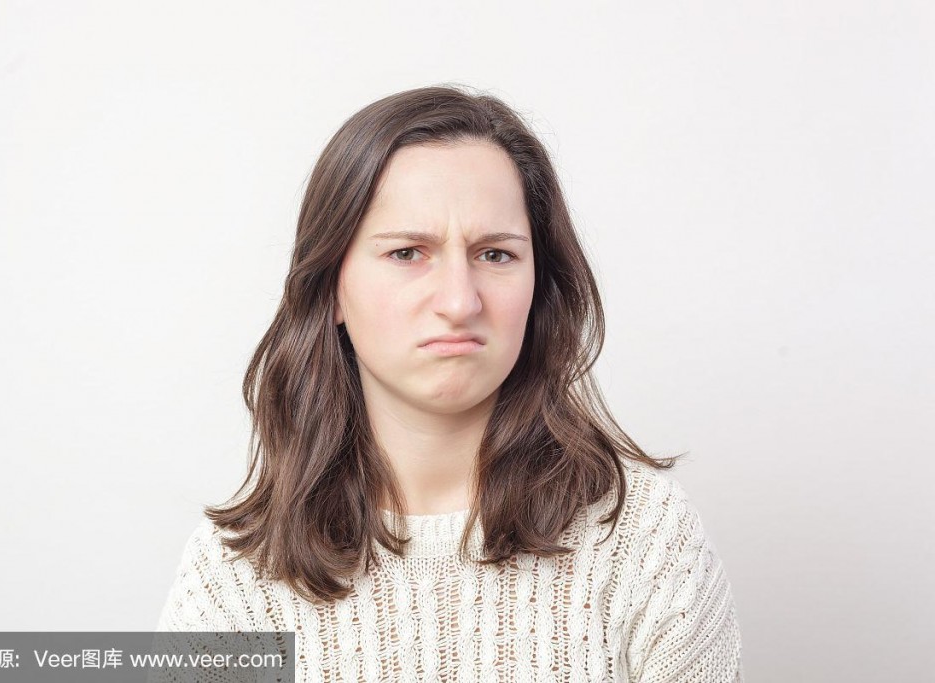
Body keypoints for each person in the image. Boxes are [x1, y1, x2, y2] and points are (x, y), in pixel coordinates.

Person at [154, 84, 744, 681]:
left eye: (495, 255)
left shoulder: (646, 541)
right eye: (408, 253)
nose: (460, 302)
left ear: (540, 282)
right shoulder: (231, 578)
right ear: (332, 286)